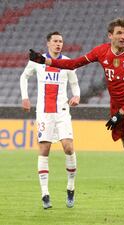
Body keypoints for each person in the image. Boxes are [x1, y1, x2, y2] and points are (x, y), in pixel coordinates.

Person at [28, 18, 124, 219]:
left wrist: (121, 114)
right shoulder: (101, 51)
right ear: (110, 36)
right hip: (117, 107)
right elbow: (74, 63)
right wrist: (46, 61)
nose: (123, 37)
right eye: (119, 33)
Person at [20, 31, 80, 209]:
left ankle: (70, 187)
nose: (58, 44)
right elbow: (24, 76)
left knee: (68, 147)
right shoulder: (37, 61)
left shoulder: (68, 63)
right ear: (48, 43)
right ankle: (45, 193)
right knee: (44, 149)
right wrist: (25, 97)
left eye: (60, 41)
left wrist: (76, 96)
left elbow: (75, 84)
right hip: (44, 112)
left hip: (62, 112)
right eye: (55, 41)